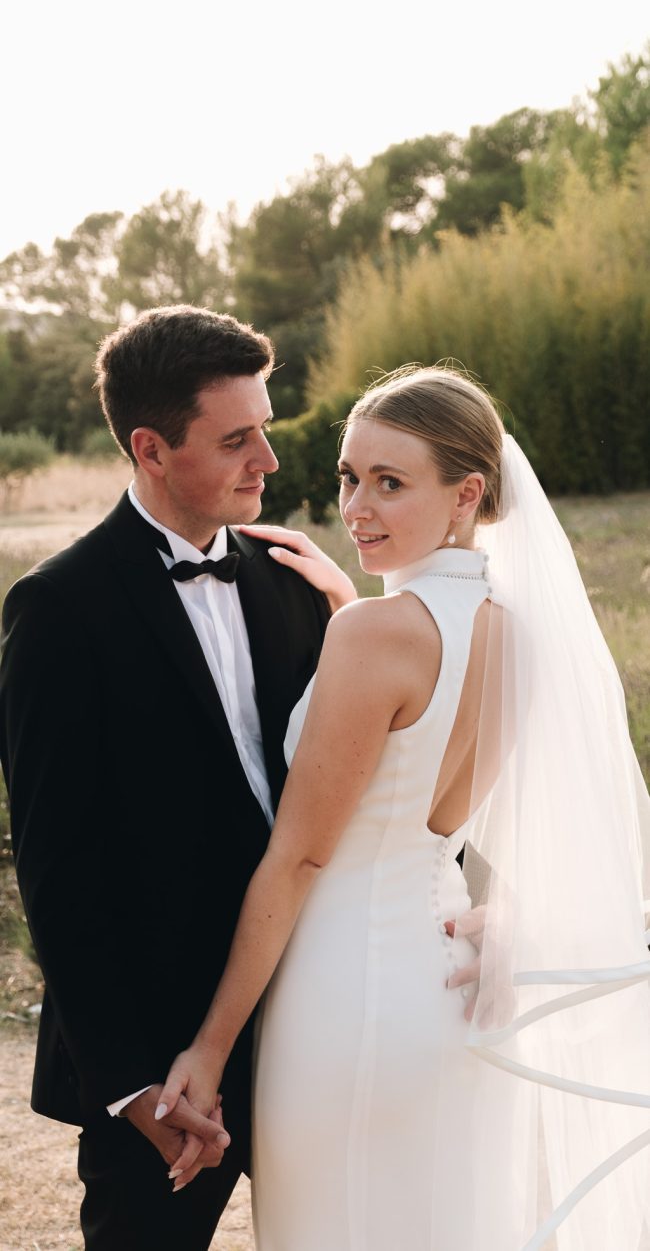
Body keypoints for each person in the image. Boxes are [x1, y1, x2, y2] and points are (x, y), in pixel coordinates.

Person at [159, 366, 650, 1249]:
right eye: (350, 477)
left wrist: (212, 1046)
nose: (356, 508)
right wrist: (350, 605)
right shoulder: (516, 632)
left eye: (391, 483)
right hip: (450, 992)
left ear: (467, 494)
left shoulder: (373, 636)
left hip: (343, 993)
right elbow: (424, 764)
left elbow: (302, 858)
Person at [0, 304, 355, 1251]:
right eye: (236, 440)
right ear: (150, 449)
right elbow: (57, 871)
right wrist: (130, 1084)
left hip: (316, 1007)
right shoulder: (57, 608)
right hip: (161, 1052)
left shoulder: (291, 578)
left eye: (266, 430)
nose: (267, 461)